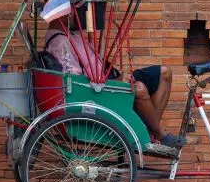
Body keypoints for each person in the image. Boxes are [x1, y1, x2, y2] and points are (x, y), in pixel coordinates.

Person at [44, 24, 187, 148]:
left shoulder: (73, 35)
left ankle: (150, 130)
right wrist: (109, 80)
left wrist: (115, 74)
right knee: (140, 89)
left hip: (106, 78)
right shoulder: (60, 40)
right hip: (95, 87)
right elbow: (74, 77)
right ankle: (159, 133)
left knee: (164, 73)